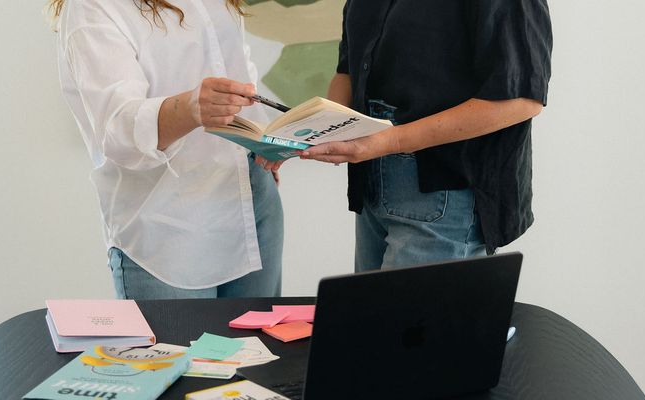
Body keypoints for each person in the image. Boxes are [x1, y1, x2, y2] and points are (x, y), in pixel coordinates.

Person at [47, 0, 283, 299]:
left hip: (252, 204)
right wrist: (190, 108)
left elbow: (238, 69)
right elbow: (116, 128)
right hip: (166, 229)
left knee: (260, 332)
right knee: (177, 333)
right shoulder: (91, 7)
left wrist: (266, 142)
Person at [300, 0, 553, 271]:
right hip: (371, 189)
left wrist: (391, 141)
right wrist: (304, 137)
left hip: (446, 191)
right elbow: (347, 72)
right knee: (370, 301)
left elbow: (521, 100)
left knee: (403, 301)